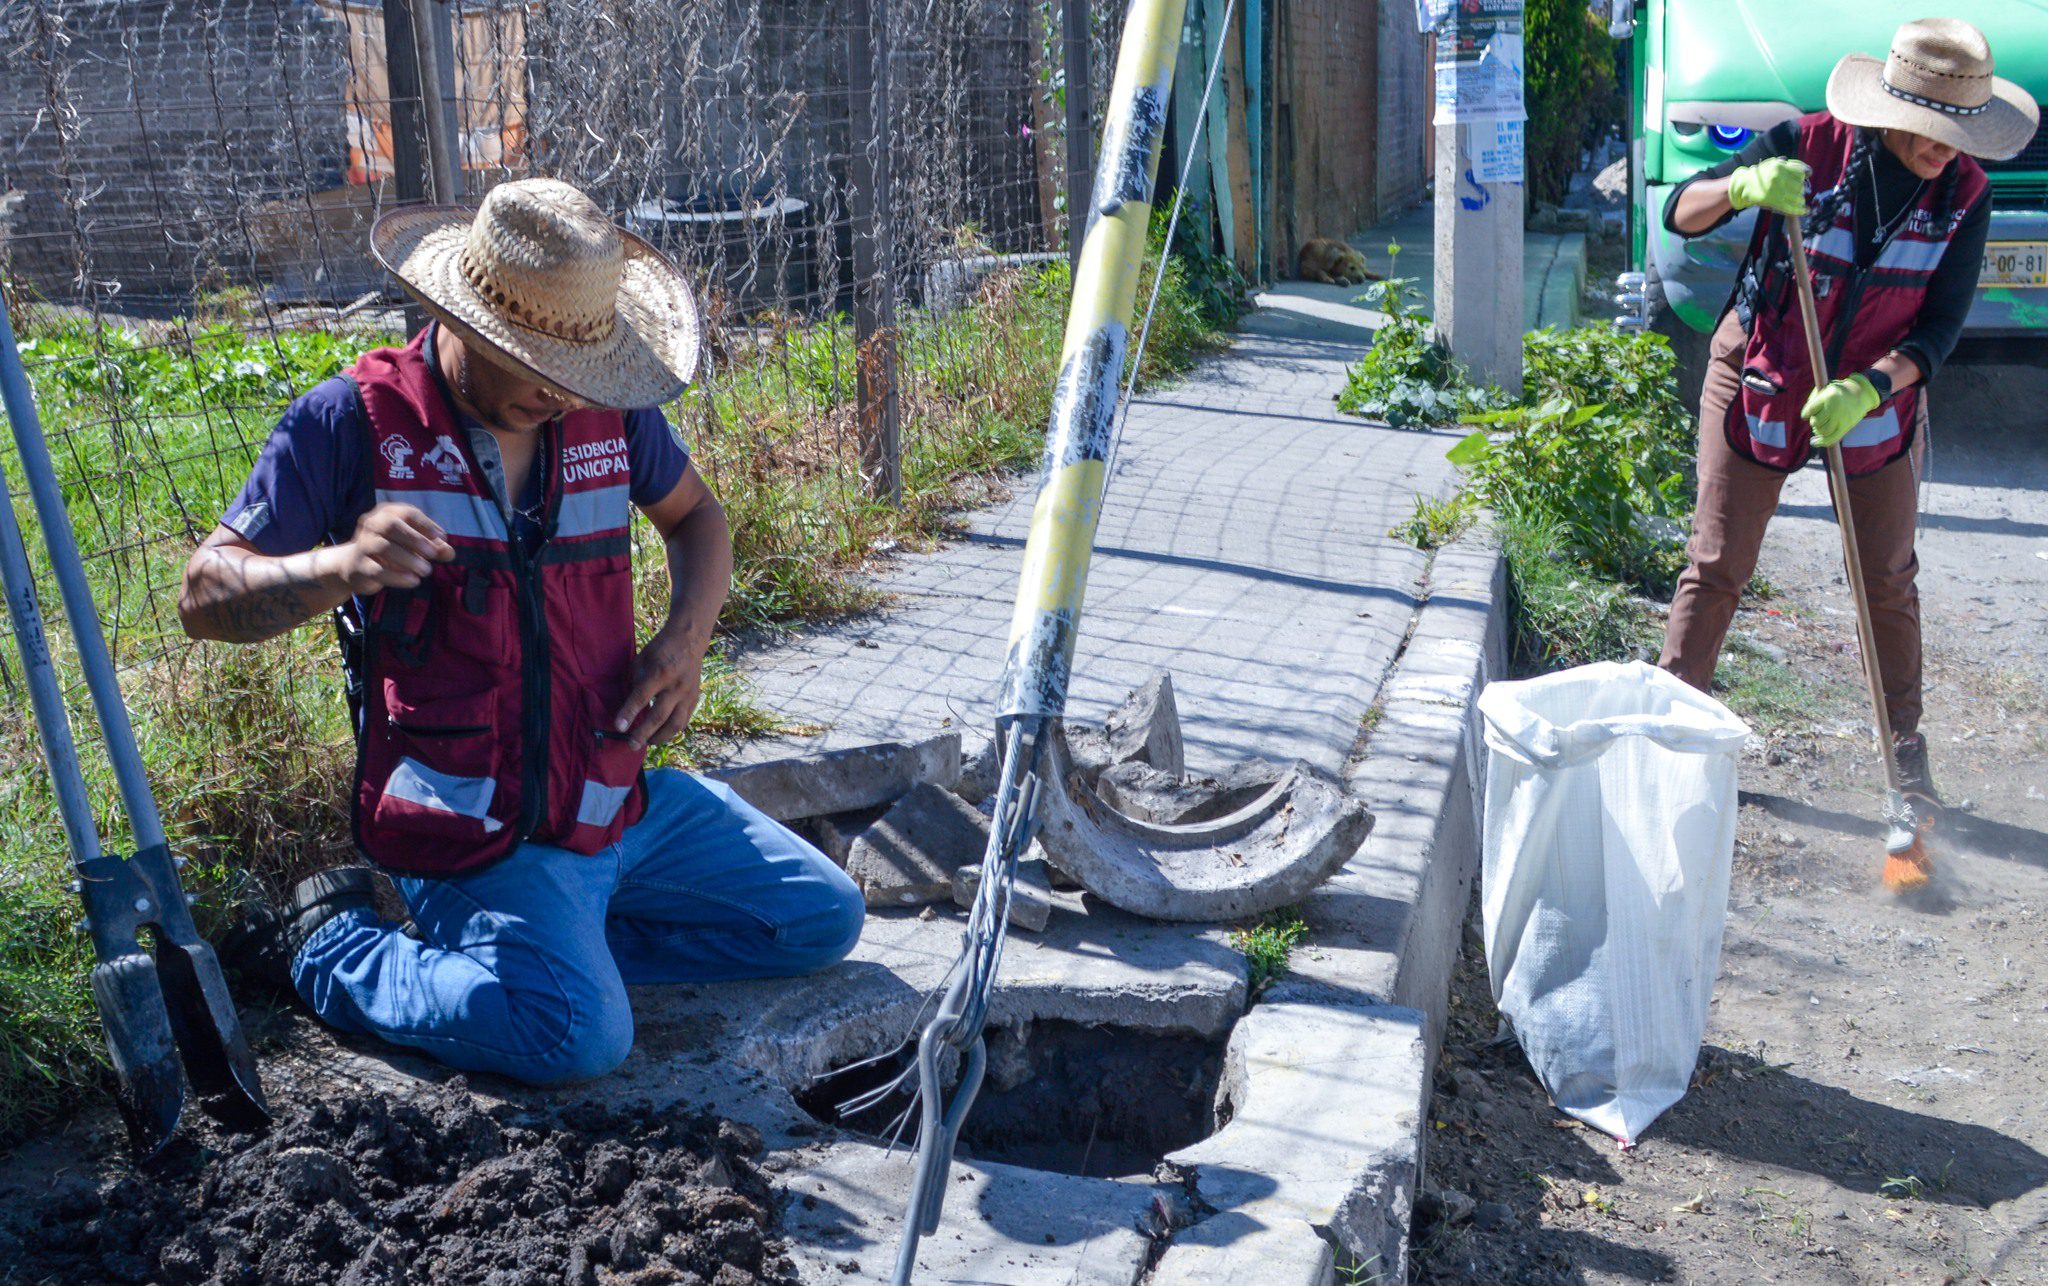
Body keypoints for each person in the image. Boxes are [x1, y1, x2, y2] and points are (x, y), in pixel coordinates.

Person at [181, 179, 865, 1083]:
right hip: (476, 834)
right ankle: (335, 949)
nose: (554, 391)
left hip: (612, 802)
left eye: (571, 368)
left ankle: (564, 948)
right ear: (459, 317)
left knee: (824, 917)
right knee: (577, 1036)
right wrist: (336, 568)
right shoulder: (350, 422)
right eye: (530, 360)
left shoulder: (605, 409)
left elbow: (699, 520)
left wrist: (686, 640)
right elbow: (203, 594)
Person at [1656, 18, 2037, 859]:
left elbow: (1938, 332)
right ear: (1892, 107)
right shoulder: (1808, 144)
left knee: (1887, 581)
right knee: (1717, 563)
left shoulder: (1967, 197)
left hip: (1874, 397)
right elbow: (1679, 214)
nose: (1947, 147)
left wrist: (1871, 384)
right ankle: (1664, 733)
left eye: (1959, 131)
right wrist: (1748, 185)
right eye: (1933, 128)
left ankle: (1908, 773)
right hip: (1760, 368)